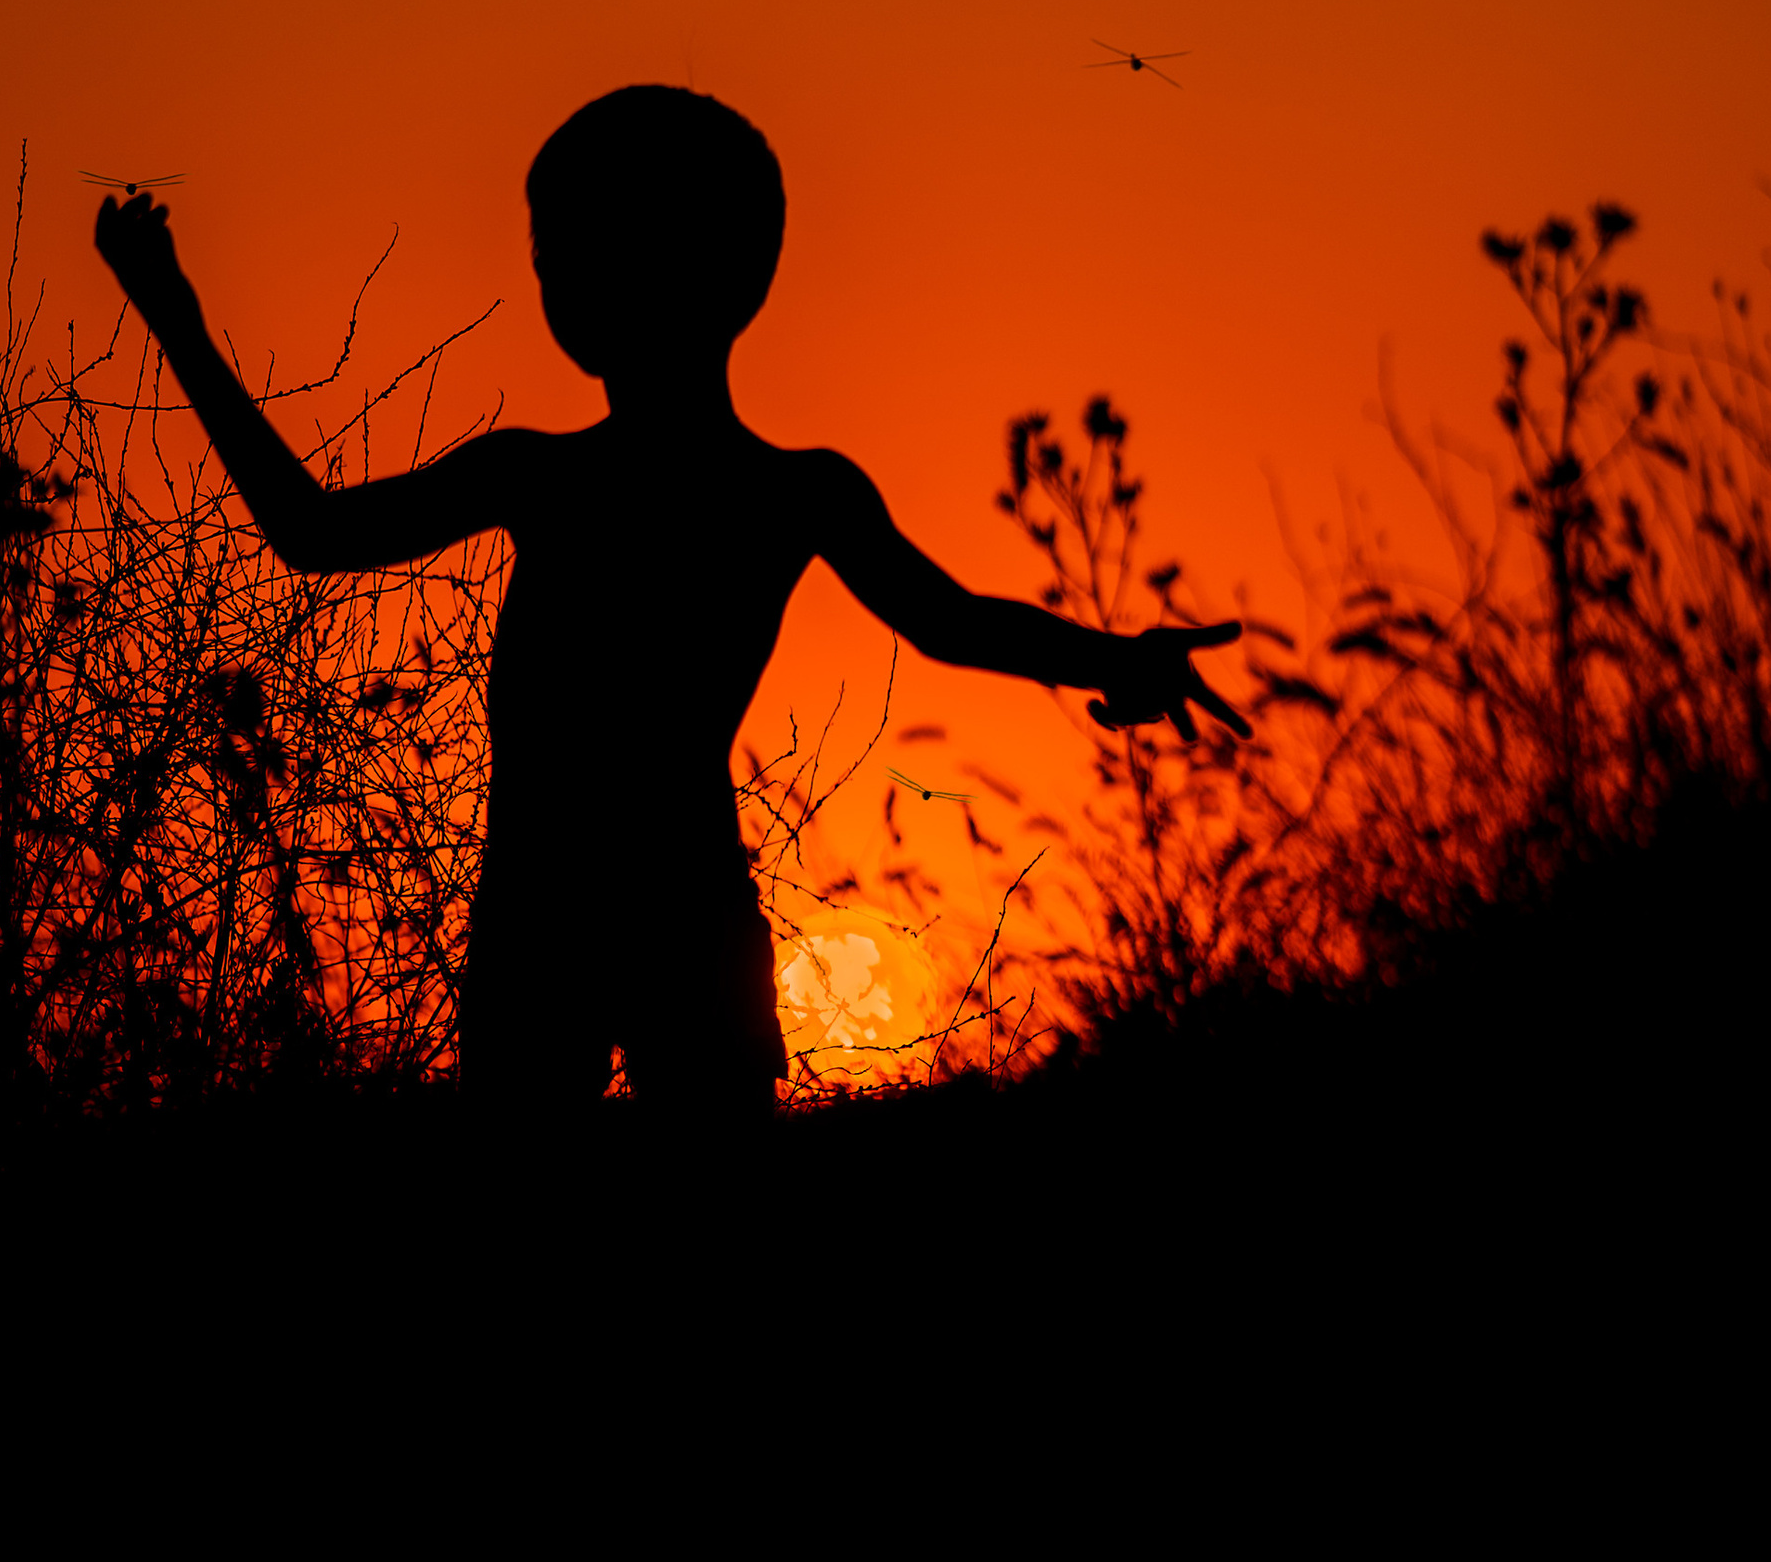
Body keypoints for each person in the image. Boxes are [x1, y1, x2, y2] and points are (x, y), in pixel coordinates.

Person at [97, 85, 1246, 1114]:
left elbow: (313, 531)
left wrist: (179, 328)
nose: (551, 276)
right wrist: (1115, 659)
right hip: (665, 918)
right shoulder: (776, 490)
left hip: (557, 923)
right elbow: (953, 621)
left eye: (565, 250)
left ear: (656, 269)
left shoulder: (555, 476)